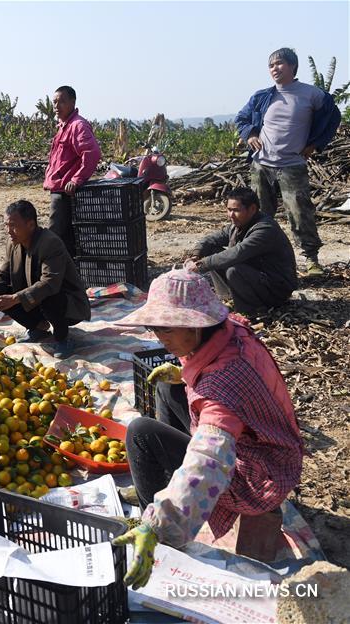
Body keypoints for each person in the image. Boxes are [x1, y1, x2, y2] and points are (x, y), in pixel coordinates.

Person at [112, 269, 303, 588]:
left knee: (141, 433)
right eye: (153, 328)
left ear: (195, 325)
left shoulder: (222, 384)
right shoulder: (231, 332)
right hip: (267, 445)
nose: (159, 338)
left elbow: (209, 459)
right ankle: (166, 486)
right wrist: (184, 375)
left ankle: (154, 534)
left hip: (258, 475)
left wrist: (162, 522)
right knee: (168, 387)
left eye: (166, 328)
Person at [235, 47, 342, 277]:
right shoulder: (262, 96)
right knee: (258, 214)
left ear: (292, 66)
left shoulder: (311, 94)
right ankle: (259, 258)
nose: (274, 68)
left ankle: (312, 259)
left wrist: (315, 144)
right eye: (271, 65)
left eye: (279, 63)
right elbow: (241, 118)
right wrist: (250, 134)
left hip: (292, 164)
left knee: (299, 212)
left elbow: (333, 116)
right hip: (262, 164)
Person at [0, 200, 90, 348]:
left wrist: (15, 298)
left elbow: (50, 283)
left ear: (31, 225)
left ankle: (62, 338)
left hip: (67, 303)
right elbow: (4, 272)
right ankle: (37, 327)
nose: (8, 231)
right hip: (35, 300)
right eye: (6, 225)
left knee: (49, 296)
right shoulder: (13, 242)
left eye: (13, 226)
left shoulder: (50, 243)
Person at [185, 187, 297, 314]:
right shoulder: (237, 225)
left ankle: (250, 310)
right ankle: (228, 296)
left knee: (234, 270)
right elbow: (210, 240)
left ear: (252, 209)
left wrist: (201, 265)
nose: (231, 215)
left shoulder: (265, 229)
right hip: (256, 277)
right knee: (211, 250)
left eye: (236, 210)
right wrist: (196, 255)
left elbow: (237, 253)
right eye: (229, 210)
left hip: (276, 288)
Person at [42, 86, 102, 258]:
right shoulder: (64, 126)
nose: (56, 106)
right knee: (67, 235)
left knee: (55, 233)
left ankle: (52, 268)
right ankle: (70, 269)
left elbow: (92, 153)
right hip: (59, 188)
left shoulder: (77, 125)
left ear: (73, 102)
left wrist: (76, 179)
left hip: (65, 191)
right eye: (54, 102)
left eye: (62, 101)